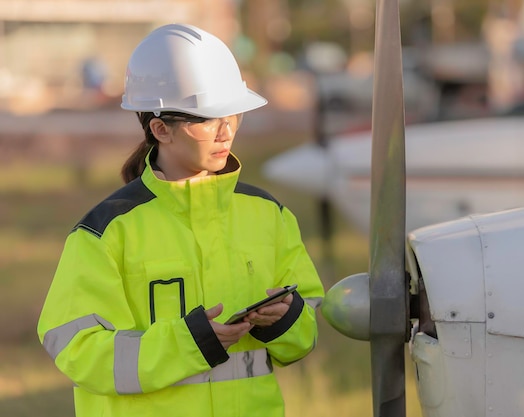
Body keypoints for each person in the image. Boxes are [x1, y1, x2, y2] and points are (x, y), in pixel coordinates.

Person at [37, 23, 325, 417]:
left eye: (233, 113)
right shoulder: (106, 232)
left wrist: (284, 317)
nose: (226, 131)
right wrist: (188, 343)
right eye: (207, 119)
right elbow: (77, 350)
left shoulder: (268, 216)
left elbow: (305, 333)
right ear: (160, 129)